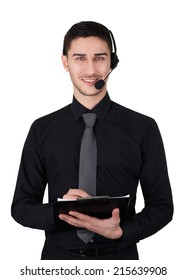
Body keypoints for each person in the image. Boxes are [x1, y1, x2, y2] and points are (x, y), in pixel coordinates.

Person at [11, 21, 173, 260]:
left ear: (112, 62)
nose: (90, 70)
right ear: (65, 62)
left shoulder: (143, 128)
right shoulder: (42, 129)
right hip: (58, 262)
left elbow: (162, 206)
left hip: (121, 262)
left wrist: (122, 231)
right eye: (80, 58)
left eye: (99, 58)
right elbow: (21, 207)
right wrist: (63, 213)